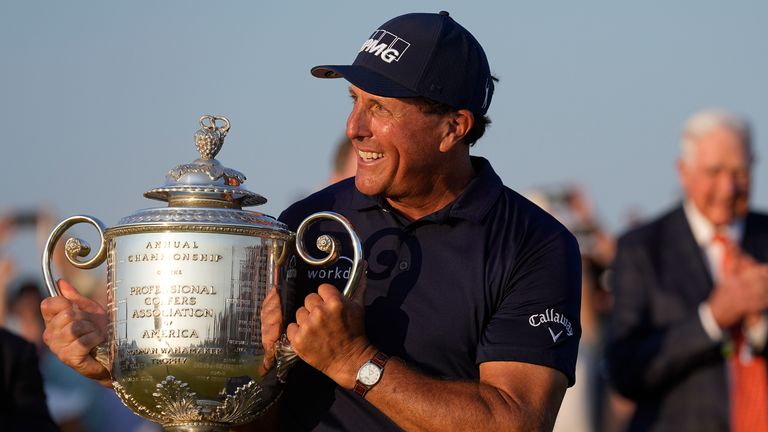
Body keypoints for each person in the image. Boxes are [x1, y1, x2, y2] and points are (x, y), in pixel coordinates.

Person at [40, 11, 582, 431]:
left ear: (453, 128)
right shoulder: (307, 225)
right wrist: (125, 364)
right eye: (353, 100)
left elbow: (515, 421)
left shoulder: (536, 244)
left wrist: (355, 362)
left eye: (382, 109)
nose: (354, 127)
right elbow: (254, 419)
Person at [606, 110, 768, 431]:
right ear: (684, 171)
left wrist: (759, 327)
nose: (727, 188)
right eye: (714, 172)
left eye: (739, 172)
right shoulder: (642, 249)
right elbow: (624, 371)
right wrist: (712, 318)